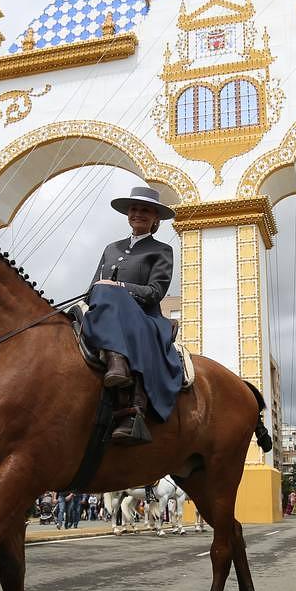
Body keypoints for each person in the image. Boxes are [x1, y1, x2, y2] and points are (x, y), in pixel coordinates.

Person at [83, 184, 184, 445]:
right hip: (104, 312)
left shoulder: (161, 250)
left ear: (155, 219)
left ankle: (128, 388)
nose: (138, 214)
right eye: (134, 209)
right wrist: (101, 292)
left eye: (145, 210)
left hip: (143, 317)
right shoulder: (111, 248)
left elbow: (155, 292)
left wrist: (119, 288)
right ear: (128, 214)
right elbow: (92, 288)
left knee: (108, 292)